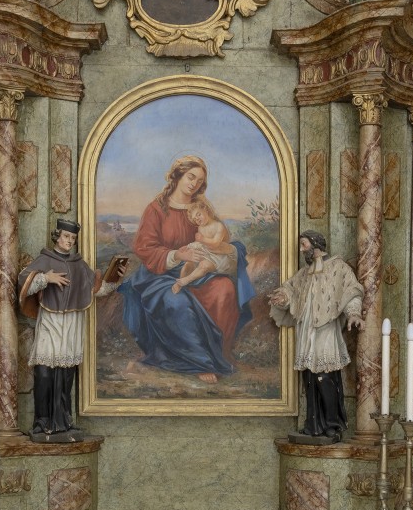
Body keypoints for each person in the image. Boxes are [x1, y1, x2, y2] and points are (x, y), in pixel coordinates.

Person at [119, 155, 254, 384]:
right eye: (191, 177)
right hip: (159, 273)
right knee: (177, 300)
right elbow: (144, 247)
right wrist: (178, 255)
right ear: (178, 175)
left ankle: (217, 355)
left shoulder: (199, 209)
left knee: (224, 289)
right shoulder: (156, 209)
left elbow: (217, 235)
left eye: (200, 181)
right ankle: (197, 362)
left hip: (198, 269)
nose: (194, 184)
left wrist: (216, 247)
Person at [18, 220, 122, 439]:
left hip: (72, 322)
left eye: (73, 239)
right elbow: (22, 281)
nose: (69, 242)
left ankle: (63, 420)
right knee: (45, 371)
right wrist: (46, 277)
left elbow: (97, 289)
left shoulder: (78, 264)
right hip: (51, 321)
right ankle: (42, 421)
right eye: (66, 237)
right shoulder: (46, 259)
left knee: (66, 372)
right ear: (57, 236)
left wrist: (115, 279)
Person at [268, 232, 364, 441]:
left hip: (325, 329)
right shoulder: (304, 273)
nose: (302, 250)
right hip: (306, 330)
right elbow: (290, 290)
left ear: (316, 245)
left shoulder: (338, 268)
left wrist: (354, 313)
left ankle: (333, 424)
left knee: (326, 378)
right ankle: (313, 424)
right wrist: (281, 297)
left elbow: (352, 291)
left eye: (304, 245)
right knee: (309, 379)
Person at [172, 198, 237, 294]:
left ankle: (187, 280)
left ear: (206, 210)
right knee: (189, 263)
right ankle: (179, 282)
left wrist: (202, 239)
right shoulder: (201, 228)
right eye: (195, 219)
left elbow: (215, 243)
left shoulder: (218, 225)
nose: (197, 219)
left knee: (204, 265)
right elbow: (200, 244)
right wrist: (189, 246)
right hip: (209, 253)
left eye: (198, 214)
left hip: (221, 257)